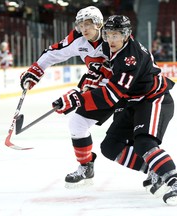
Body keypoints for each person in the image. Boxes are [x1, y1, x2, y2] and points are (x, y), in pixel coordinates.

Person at [52, 15, 177, 205]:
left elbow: (112, 95)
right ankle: (154, 171)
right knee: (110, 147)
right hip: (131, 101)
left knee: (144, 143)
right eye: (108, 34)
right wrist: (90, 79)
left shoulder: (130, 58)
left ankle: (176, 182)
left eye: (116, 35)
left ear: (126, 35)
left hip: (152, 99)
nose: (111, 39)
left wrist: (77, 98)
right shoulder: (107, 45)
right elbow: (101, 66)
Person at [19, 6, 134, 188]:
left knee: (134, 136)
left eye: (88, 24)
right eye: (80, 24)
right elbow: (53, 53)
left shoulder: (113, 36)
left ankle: (154, 169)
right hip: (101, 92)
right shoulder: (76, 39)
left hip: (125, 90)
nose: (84, 28)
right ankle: (85, 166)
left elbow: (129, 66)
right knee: (77, 123)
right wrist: (35, 70)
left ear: (99, 24)